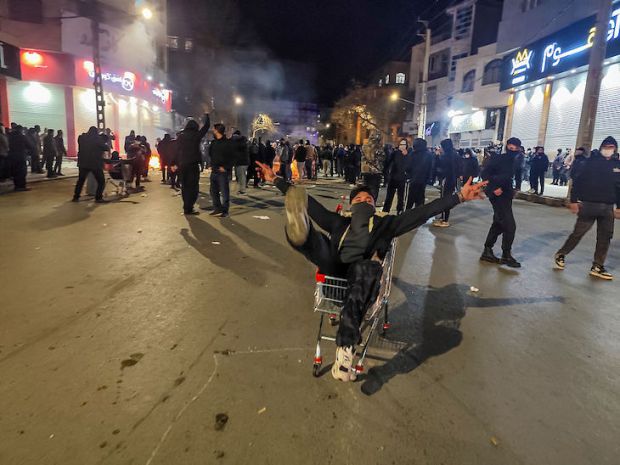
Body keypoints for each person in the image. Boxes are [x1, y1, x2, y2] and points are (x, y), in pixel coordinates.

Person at [255, 160, 487, 381]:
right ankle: (301, 232)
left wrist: (458, 197)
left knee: (368, 267)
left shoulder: (387, 224)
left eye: (369, 199)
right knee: (322, 246)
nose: (364, 201)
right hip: (335, 274)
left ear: (374, 206)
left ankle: (345, 349)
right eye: (359, 199)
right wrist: (276, 180)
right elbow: (309, 205)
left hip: (362, 282)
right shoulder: (339, 222)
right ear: (351, 205)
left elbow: (422, 213)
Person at [554, 137, 620, 280]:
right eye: (606, 146)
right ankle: (561, 254)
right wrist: (573, 201)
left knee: (605, 237)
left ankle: (598, 266)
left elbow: (619, 187)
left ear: (615, 149)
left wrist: (619, 207)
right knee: (578, 233)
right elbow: (578, 181)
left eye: (611, 147)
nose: (608, 149)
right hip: (589, 205)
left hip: (608, 207)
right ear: (601, 147)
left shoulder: (617, 165)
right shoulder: (591, 162)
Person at [479, 137, 522, 268]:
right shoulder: (498, 158)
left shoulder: (516, 160)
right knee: (510, 225)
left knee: (499, 222)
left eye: (515, 148)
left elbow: (515, 175)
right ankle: (506, 255)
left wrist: (516, 188)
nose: (513, 150)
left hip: (507, 194)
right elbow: (485, 173)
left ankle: (487, 250)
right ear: (507, 146)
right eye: (511, 147)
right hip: (497, 195)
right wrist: (494, 187)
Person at [172, 115, 210, 215]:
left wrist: (173, 163)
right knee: (193, 187)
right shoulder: (196, 135)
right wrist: (207, 115)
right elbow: (206, 127)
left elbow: (176, 150)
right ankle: (190, 207)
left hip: (183, 164)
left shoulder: (181, 136)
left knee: (184, 186)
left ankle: (186, 207)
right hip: (193, 165)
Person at [72, 127, 108, 203]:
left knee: (81, 180)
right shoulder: (97, 139)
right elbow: (106, 148)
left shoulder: (81, 138)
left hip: (83, 163)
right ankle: (98, 198)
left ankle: (76, 197)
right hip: (95, 164)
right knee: (101, 181)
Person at [209, 122, 234, 217]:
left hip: (222, 172)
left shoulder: (228, 143)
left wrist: (226, 167)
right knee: (213, 191)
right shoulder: (213, 143)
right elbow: (210, 154)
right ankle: (217, 208)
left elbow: (233, 157)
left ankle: (225, 210)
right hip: (214, 170)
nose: (212, 130)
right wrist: (211, 164)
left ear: (217, 130)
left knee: (224, 192)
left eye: (214, 129)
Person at [432, 139, 459, 227]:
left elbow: (439, 166)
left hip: (447, 180)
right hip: (451, 180)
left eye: (442, 146)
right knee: (445, 199)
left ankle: (445, 220)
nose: (441, 148)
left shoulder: (447, 156)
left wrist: (437, 156)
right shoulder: (454, 154)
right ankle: (443, 217)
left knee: (445, 200)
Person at [382, 139, 412, 214]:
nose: (402, 146)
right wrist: (386, 173)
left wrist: (406, 156)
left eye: (404, 145)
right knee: (389, 196)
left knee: (401, 197)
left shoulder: (408, 155)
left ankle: (399, 211)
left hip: (402, 179)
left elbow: (409, 167)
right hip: (393, 178)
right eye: (401, 144)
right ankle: (385, 211)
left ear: (406, 146)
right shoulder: (394, 153)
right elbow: (387, 163)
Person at [406, 138, 433, 209]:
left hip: (413, 180)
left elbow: (408, 167)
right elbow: (431, 168)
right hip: (423, 180)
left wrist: (408, 176)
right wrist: (429, 179)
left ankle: (407, 214)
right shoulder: (429, 155)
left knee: (410, 199)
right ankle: (419, 214)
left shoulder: (412, 154)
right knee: (420, 199)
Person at [7, 125, 30, 191]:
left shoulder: (10, 137)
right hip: (21, 156)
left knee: (15, 172)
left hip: (12, 156)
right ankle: (22, 186)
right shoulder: (22, 137)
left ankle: (16, 186)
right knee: (22, 172)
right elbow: (29, 145)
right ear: (20, 130)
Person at [231, 130, 249, 194]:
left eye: (234, 136)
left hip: (242, 162)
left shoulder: (241, 142)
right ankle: (241, 189)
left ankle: (243, 190)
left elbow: (237, 150)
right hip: (239, 162)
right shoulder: (240, 141)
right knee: (239, 176)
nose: (233, 137)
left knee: (241, 176)